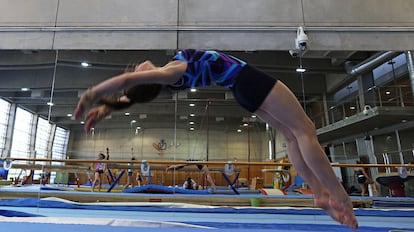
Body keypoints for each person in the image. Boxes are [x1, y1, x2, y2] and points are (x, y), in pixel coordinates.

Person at [74, 49, 358, 229]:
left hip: (241, 89)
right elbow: (126, 84)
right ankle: (339, 196)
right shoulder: (172, 72)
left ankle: (319, 193)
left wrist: (106, 108)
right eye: (137, 72)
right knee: (304, 130)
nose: (137, 66)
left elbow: (129, 93)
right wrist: (91, 95)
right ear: (147, 78)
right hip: (248, 80)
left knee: (290, 135)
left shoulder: (171, 72)